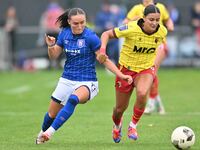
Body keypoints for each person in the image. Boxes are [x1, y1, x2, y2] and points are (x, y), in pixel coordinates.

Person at [35, 8, 133, 144]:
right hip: (67, 79)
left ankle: (50, 132)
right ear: (69, 22)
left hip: (87, 81)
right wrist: (51, 46)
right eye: (76, 23)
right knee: (51, 114)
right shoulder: (64, 34)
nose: (80, 26)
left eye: (82, 22)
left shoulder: (90, 37)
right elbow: (53, 56)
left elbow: (104, 59)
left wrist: (121, 75)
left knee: (73, 99)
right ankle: (42, 134)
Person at [100, 4, 167, 143]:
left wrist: (155, 65)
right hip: (125, 70)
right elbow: (106, 34)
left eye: (157, 19)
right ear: (143, 18)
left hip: (145, 69)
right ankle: (117, 125)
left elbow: (162, 48)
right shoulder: (131, 28)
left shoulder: (162, 32)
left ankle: (133, 126)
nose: (155, 23)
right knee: (119, 109)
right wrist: (102, 50)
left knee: (142, 93)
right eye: (151, 19)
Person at [123, 0, 174, 115]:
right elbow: (124, 23)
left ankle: (151, 103)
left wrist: (170, 25)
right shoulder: (137, 8)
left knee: (151, 71)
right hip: (143, 46)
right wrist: (133, 20)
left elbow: (167, 19)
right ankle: (158, 103)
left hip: (159, 45)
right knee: (150, 73)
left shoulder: (160, 7)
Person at [37, 0, 64, 69]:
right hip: (50, 31)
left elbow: (61, 21)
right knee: (49, 48)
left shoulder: (59, 10)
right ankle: (50, 64)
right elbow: (44, 21)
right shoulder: (49, 11)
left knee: (58, 48)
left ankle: (57, 63)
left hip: (56, 32)